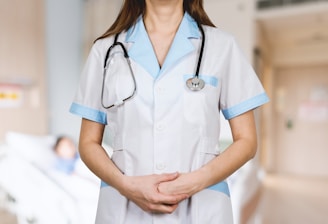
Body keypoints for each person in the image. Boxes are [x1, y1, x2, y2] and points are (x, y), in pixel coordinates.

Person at [69, 0, 269, 223]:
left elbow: (247, 142)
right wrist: (126, 186)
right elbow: (88, 143)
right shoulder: (105, 51)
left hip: (202, 207)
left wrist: (196, 181)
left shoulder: (222, 47)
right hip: (124, 209)